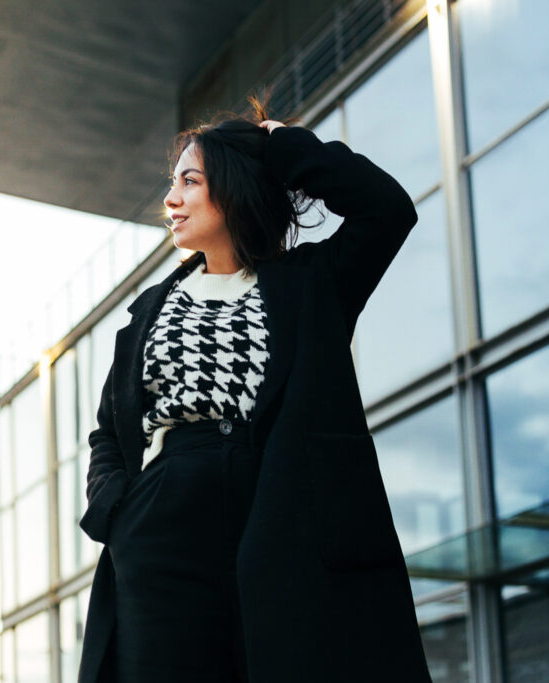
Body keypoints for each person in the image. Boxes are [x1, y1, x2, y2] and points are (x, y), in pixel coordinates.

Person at [77, 93, 432, 683]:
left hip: (280, 516)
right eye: (173, 183)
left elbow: (387, 210)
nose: (171, 199)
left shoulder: (312, 286)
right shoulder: (147, 314)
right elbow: (108, 433)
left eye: (189, 181)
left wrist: (284, 143)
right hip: (159, 525)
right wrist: (116, 507)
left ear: (233, 186)